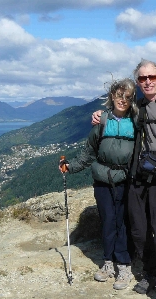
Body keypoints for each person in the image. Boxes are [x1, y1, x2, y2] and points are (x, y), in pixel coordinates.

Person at [91, 59, 156, 299]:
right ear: (138, 82)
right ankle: (148, 274)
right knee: (139, 230)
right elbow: (118, 111)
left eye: (152, 77)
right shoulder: (138, 106)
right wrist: (99, 114)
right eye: (143, 79)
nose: (148, 82)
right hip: (139, 177)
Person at [59, 78, 137, 290]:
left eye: (128, 97)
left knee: (122, 222)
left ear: (132, 100)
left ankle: (124, 266)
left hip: (125, 180)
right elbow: (88, 154)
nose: (123, 100)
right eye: (119, 95)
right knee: (108, 220)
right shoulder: (101, 123)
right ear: (112, 96)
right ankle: (108, 263)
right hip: (102, 181)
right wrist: (70, 167)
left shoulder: (136, 121)